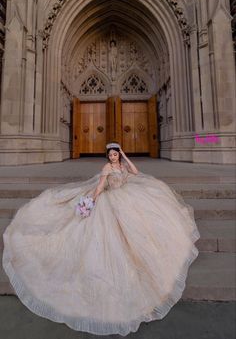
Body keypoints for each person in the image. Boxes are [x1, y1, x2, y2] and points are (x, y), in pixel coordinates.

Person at [2, 142, 200, 336]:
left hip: (127, 196)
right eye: (112, 155)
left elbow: (136, 172)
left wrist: (124, 155)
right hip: (110, 198)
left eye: (116, 154)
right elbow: (99, 186)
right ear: (108, 157)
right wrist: (91, 202)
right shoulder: (106, 167)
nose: (113, 157)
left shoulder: (122, 164)